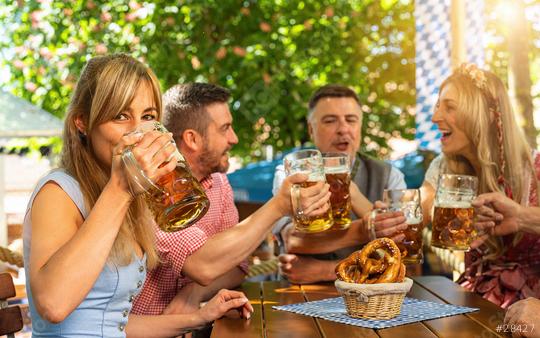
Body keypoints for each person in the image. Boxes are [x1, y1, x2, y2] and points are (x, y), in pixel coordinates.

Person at [22, 54, 256, 337]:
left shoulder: (131, 198)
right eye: (121, 115)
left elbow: (113, 325)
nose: (138, 132)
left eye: (148, 117)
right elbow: (53, 304)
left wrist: (200, 317)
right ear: (82, 122)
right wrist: (120, 189)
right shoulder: (58, 192)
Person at [132, 83, 331, 316]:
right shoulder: (153, 187)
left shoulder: (219, 183)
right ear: (192, 139)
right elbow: (202, 265)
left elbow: (238, 266)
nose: (234, 138)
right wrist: (279, 205)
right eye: (225, 128)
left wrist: (193, 294)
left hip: (195, 326)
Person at [421, 63, 540, 308]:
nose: (435, 117)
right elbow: (409, 215)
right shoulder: (445, 169)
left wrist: (520, 218)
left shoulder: (535, 169)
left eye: (449, 107)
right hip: (475, 299)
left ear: (486, 113)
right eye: (437, 106)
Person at [274, 84, 408, 284]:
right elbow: (292, 240)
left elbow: (403, 256)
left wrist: (326, 270)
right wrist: (366, 230)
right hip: (298, 297)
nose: (343, 129)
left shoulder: (390, 175)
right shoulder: (290, 173)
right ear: (311, 129)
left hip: (372, 301)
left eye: (351, 120)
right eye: (330, 121)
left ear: (360, 127)